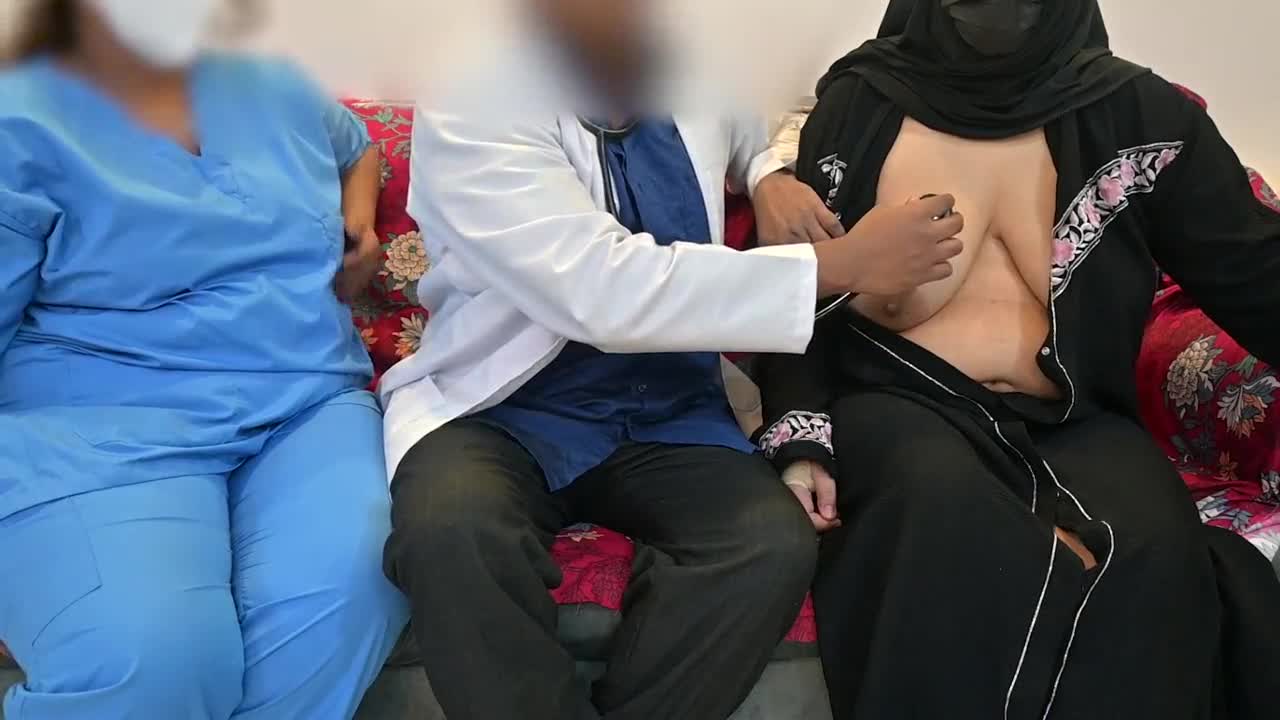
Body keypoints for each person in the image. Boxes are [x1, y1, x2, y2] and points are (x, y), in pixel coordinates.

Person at [376, 1, 969, 718]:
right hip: (507, 406)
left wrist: (767, 174)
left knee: (765, 545)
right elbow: (600, 289)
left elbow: (738, 125)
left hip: (668, 405)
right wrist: (839, 265)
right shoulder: (474, 93)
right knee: (450, 532)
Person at [753, 1, 1280, 718]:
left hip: (1074, 419)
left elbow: (1252, 269)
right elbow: (797, 285)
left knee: (1155, 550)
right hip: (899, 401)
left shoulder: (1139, 113)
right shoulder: (862, 103)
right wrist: (800, 434)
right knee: (948, 521)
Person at [0, 1, 408, 718]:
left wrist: (360, 224)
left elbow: (356, 148)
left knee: (357, 588)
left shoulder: (274, 77)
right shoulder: (21, 120)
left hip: (306, 404)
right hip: (97, 423)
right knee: (155, 656)